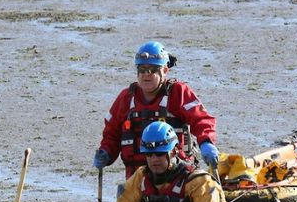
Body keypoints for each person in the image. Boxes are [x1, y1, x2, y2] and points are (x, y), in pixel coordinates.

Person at [93, 40, 220, 179]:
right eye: (142, 69)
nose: (146, 74)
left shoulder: (178, 93)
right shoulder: (126, 98)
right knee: (125, 199)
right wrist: (105, 152)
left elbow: (201, 119)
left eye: (153, 69)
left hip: (177, 177)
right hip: (136, 179)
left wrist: (206, 142)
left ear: (165, 70)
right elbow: (111, 133)